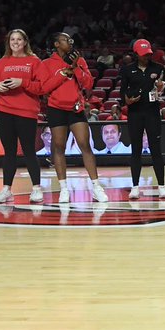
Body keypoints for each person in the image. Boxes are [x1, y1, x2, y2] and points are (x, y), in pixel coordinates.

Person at [39, 32, 109, 203]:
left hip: (75, 108)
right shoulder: (46, 64)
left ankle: (96, 187)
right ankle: (64, 189)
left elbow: (88, 84)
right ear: (56, 44)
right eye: (65, 40)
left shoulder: (80, 60)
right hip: (56, 108)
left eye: (70, 39)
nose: (70, 42)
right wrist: (63, 73)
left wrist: (76, 66)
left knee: (85, 145)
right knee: (58, 147)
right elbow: (44, 88)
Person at [0, 29, 49, 204]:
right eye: (12, 39)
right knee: (9, 152)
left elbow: (42, 87)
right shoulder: (1, 62)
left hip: (26, 111)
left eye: (19, 39)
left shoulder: (34, 61)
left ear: (25, 42)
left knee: (28, 150)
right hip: (4, 110)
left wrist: (22, 82)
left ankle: (36, 188)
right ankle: (6, 189)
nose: (15, 42)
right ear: (9, 42)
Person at [122, 38, 165, 199]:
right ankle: (135, 187)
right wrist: (127, 100)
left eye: (148, 54)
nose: (146, 57)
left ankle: (162, 186)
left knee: (156, 149)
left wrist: (162, 88)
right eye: (143, 54)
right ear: (136, 54)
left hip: (152, 112)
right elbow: (122, 91)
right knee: (136, 149)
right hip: (134, 113)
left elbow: (164, 90)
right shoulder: (127, 70)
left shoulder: (158, 68)